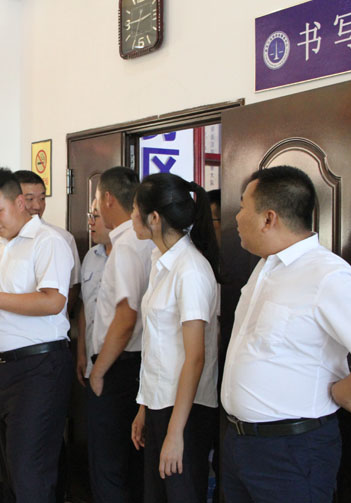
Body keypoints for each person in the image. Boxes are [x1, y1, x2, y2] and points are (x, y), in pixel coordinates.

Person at [221, 166, 351, 502]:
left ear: (268, 218)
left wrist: (345, 391)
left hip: (291, 451)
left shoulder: (327, 275)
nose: (236, 217)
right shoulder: (266, 267)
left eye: (242, 207)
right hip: (241, 444)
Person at [0, 167, 73, 503]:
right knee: (12, 470)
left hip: (40, 367)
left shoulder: (48, 241)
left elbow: (53, 302)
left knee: (30, 470)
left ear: (20, 203)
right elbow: (1, 308)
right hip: (3, 367)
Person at [129, 173, 220, 503]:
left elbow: (195, 358)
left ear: (154, 218)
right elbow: (159, 346)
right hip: (161, 403)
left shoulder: (190, 269)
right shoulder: (161, 261)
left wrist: (175, 431)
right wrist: (144, 407)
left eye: (134, 210)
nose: (131, 217)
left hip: (186, 411)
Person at [88, 166, 155, 503]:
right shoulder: (147, 241)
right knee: (133, 465)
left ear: (108, 199)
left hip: (120, 366)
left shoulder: (127, 245)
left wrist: (98, 371)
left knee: (109, 467)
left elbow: (126, 317)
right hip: (139, 365)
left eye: (97, 200)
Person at [13, 170, 81, 311]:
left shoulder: (61, 238)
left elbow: (73, 286)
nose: (37, 206)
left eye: (42, 198)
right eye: (30, 199)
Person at [76, 199, 112, 385]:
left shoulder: (131, 257)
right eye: (90, 216)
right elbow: (85, 306)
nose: (90, 222)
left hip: (119, 362)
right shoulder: (91, 256)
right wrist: (81, 352)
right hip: (91, 359)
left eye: (96, 217)